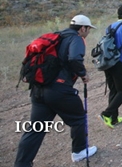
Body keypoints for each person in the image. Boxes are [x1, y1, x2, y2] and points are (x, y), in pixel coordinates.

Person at [14, 15, 98, 166]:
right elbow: (74, 59)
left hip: (38, 89)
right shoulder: (76, 39)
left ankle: (21, 164)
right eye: (88, 29)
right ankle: (79, 151)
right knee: (79, 117)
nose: (88, 32)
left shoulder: (57, 36)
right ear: (82, 28)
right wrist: (83, 74)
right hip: (58, 90)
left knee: (36, 128)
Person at [100, 5, 122, 128]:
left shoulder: (110, 27)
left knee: (114, 89)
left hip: (108, 61)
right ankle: (107, 113)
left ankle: (113, 119)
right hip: (120, 61)